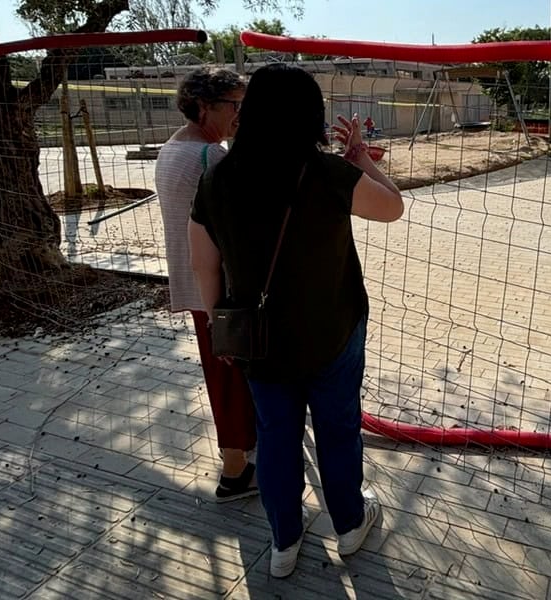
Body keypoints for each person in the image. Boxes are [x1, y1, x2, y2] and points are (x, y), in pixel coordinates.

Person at [188, 63, 404, 578]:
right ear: (311, 115)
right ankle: (349, 524)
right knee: (337, 428)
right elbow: (393, 207)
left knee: (276, 438)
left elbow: (203, 263)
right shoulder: (327, 173)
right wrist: (360, 159)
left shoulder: (217, 178)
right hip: (332, 332)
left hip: (257, 341)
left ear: (250, 112)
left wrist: (220, 325)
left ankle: (284, 541)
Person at [155, 67, 259, 502]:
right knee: (231, 378)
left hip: (200, 284)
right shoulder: (210, 158)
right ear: (203, 106)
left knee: (227, 374)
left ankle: (245, 452)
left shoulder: (174, 147)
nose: (242, 114)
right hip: (221, 291)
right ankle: (235, 472)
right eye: (235, 105)